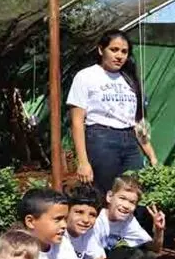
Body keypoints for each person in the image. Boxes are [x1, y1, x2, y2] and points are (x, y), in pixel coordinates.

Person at [67, 30, 158, 194]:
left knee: (133, 192)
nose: (119, 56)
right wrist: (83, 161)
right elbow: (77, 122)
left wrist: (151, 156)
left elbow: (137, 122)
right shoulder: (86, 76)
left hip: (130, 141)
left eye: (124, 51)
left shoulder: (130, 79)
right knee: (105, 193)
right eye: (114, 49)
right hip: (101, 139)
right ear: (101, 50)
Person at [91, 176, 165, 259]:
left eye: (132, 202)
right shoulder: (97, 220)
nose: (126, 205)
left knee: (150, 258)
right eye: (122, 198)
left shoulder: (129, 220)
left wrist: (158, 230)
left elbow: (155, 249)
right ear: (110, 196)